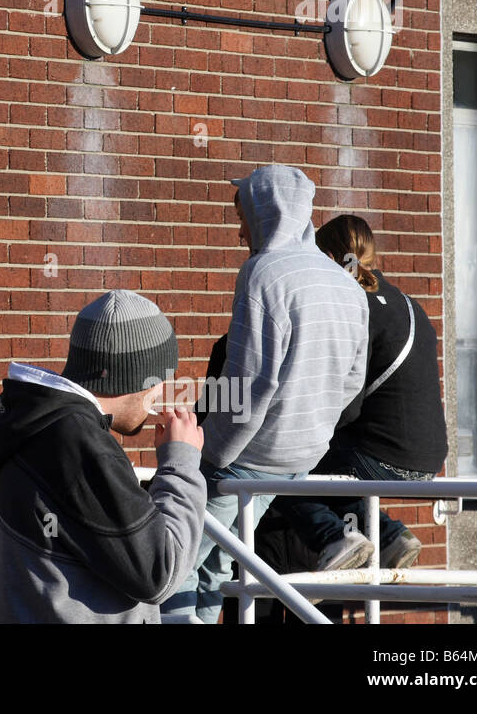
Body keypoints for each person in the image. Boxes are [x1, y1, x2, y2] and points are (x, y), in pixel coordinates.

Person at [163, 165, 369, 622]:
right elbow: (351, 382)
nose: (239, 232)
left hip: (245, 455)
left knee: (172, 568)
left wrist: (209, 454)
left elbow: (249, 384)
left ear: (264, 213)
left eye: (243, 217)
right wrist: (308, 426)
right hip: (300, 459)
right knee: (217, 565)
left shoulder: (262, 275)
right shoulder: (345, 284)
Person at [0, 289, 207, 623]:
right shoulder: (78, 445)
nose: (161, 395)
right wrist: (181, 463)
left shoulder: (22, 417)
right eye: (162, 380)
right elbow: (160, 571)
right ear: (137, 375)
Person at [269, 215, 447, 570]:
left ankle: (334, 540)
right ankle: (391, 537)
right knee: (334, 478)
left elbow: (347, 406)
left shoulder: (354, 308)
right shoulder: (409, 304)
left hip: (382, 457)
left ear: (331, 259)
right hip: (428, 462)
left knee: (281, 469)